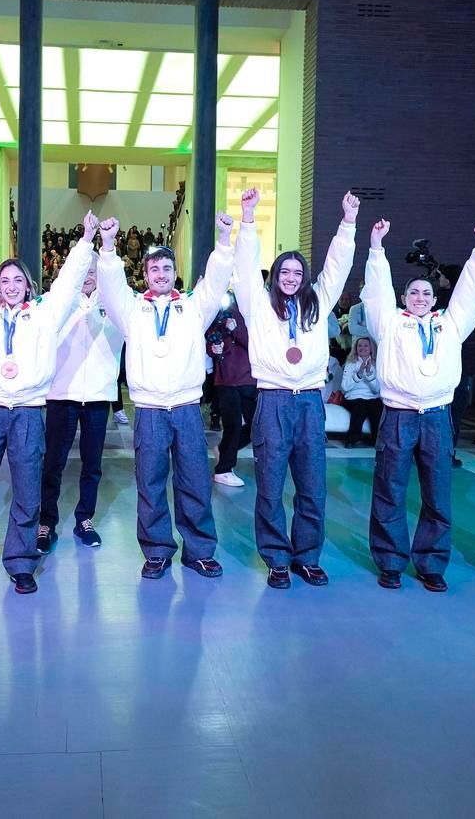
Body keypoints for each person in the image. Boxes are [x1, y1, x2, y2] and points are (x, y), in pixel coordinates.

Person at [0, 208, 97, 598]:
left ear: (28, 285)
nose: (11, 286)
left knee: (27, 495)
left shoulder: (44, 314)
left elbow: (67, 282)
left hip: (28, 412)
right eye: (4, 281)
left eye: (17, 280)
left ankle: (22, 564)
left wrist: (85, 240)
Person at [96, 211, 236, 579]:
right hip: (150, 411)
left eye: (166, 269)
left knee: (195, 482)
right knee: (151, 484)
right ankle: (157, 551)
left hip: (187, 408)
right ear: (145, 275)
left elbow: (216, 282)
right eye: (154, 269)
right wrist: (107, 246)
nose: (161, 274)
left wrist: (224, 240)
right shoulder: (132, 309)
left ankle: (199, 551)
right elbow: (110, 287)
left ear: (175, 273)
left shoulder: (193, 306)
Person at [235, 187, 360, 590]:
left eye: (297, 273)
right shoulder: (257, 304)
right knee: (270, 487)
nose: (291, 278)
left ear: (305, 278)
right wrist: (248, 219)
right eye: (284, 272)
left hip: (308, 401)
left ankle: (307, 557)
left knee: (312, 486)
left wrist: (348, 223)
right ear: (274, 276)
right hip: (272, 401)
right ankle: (277, 559)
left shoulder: (317, 303)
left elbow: (337, 268)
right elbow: (244, 267)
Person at [363, 219, 475, 591]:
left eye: (426, 293)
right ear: (404, 298)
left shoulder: (450, 324)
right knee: (389, 490)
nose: (420, 297)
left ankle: (431, 563)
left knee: (437, 492)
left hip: (437, 417)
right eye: (414, 293)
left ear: (435, 300)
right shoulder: (389, 323)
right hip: (398, 416)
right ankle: (390, 562)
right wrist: (376, 248)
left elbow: (470, 295)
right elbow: (376, 292)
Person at [37, 257, 125, 552]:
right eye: (83, 270)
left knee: (92, 464)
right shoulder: (57, 302)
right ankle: (46, 522)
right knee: (53, 463)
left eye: (92, 270)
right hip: (62, 394)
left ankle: (84, 519)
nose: (87, 275)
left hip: (98, 396)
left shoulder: (114, 303)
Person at [207, 292, 256, 487]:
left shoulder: (252, 311)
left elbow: (257, 345)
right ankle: (223, 470)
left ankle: (223, 450)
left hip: (249, 378)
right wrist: (213, 348)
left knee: (256, 425)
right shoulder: (217, 313)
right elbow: (210, 339)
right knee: (232, 425)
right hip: (226, 379)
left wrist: (236, 330)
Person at [340, 336, 381, 448]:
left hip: (372, 397)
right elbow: (344, 387)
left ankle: (376, 440)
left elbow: (376, 389)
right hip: (353, 397)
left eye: (366, 346)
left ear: (371, 349)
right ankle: (351, 440)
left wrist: (368, 374)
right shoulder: (350, 363)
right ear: (356, 348)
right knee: (360, 406)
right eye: (360, 346)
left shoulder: (377, 363)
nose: (362, 348)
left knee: (377, 407)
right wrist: (358, 374)